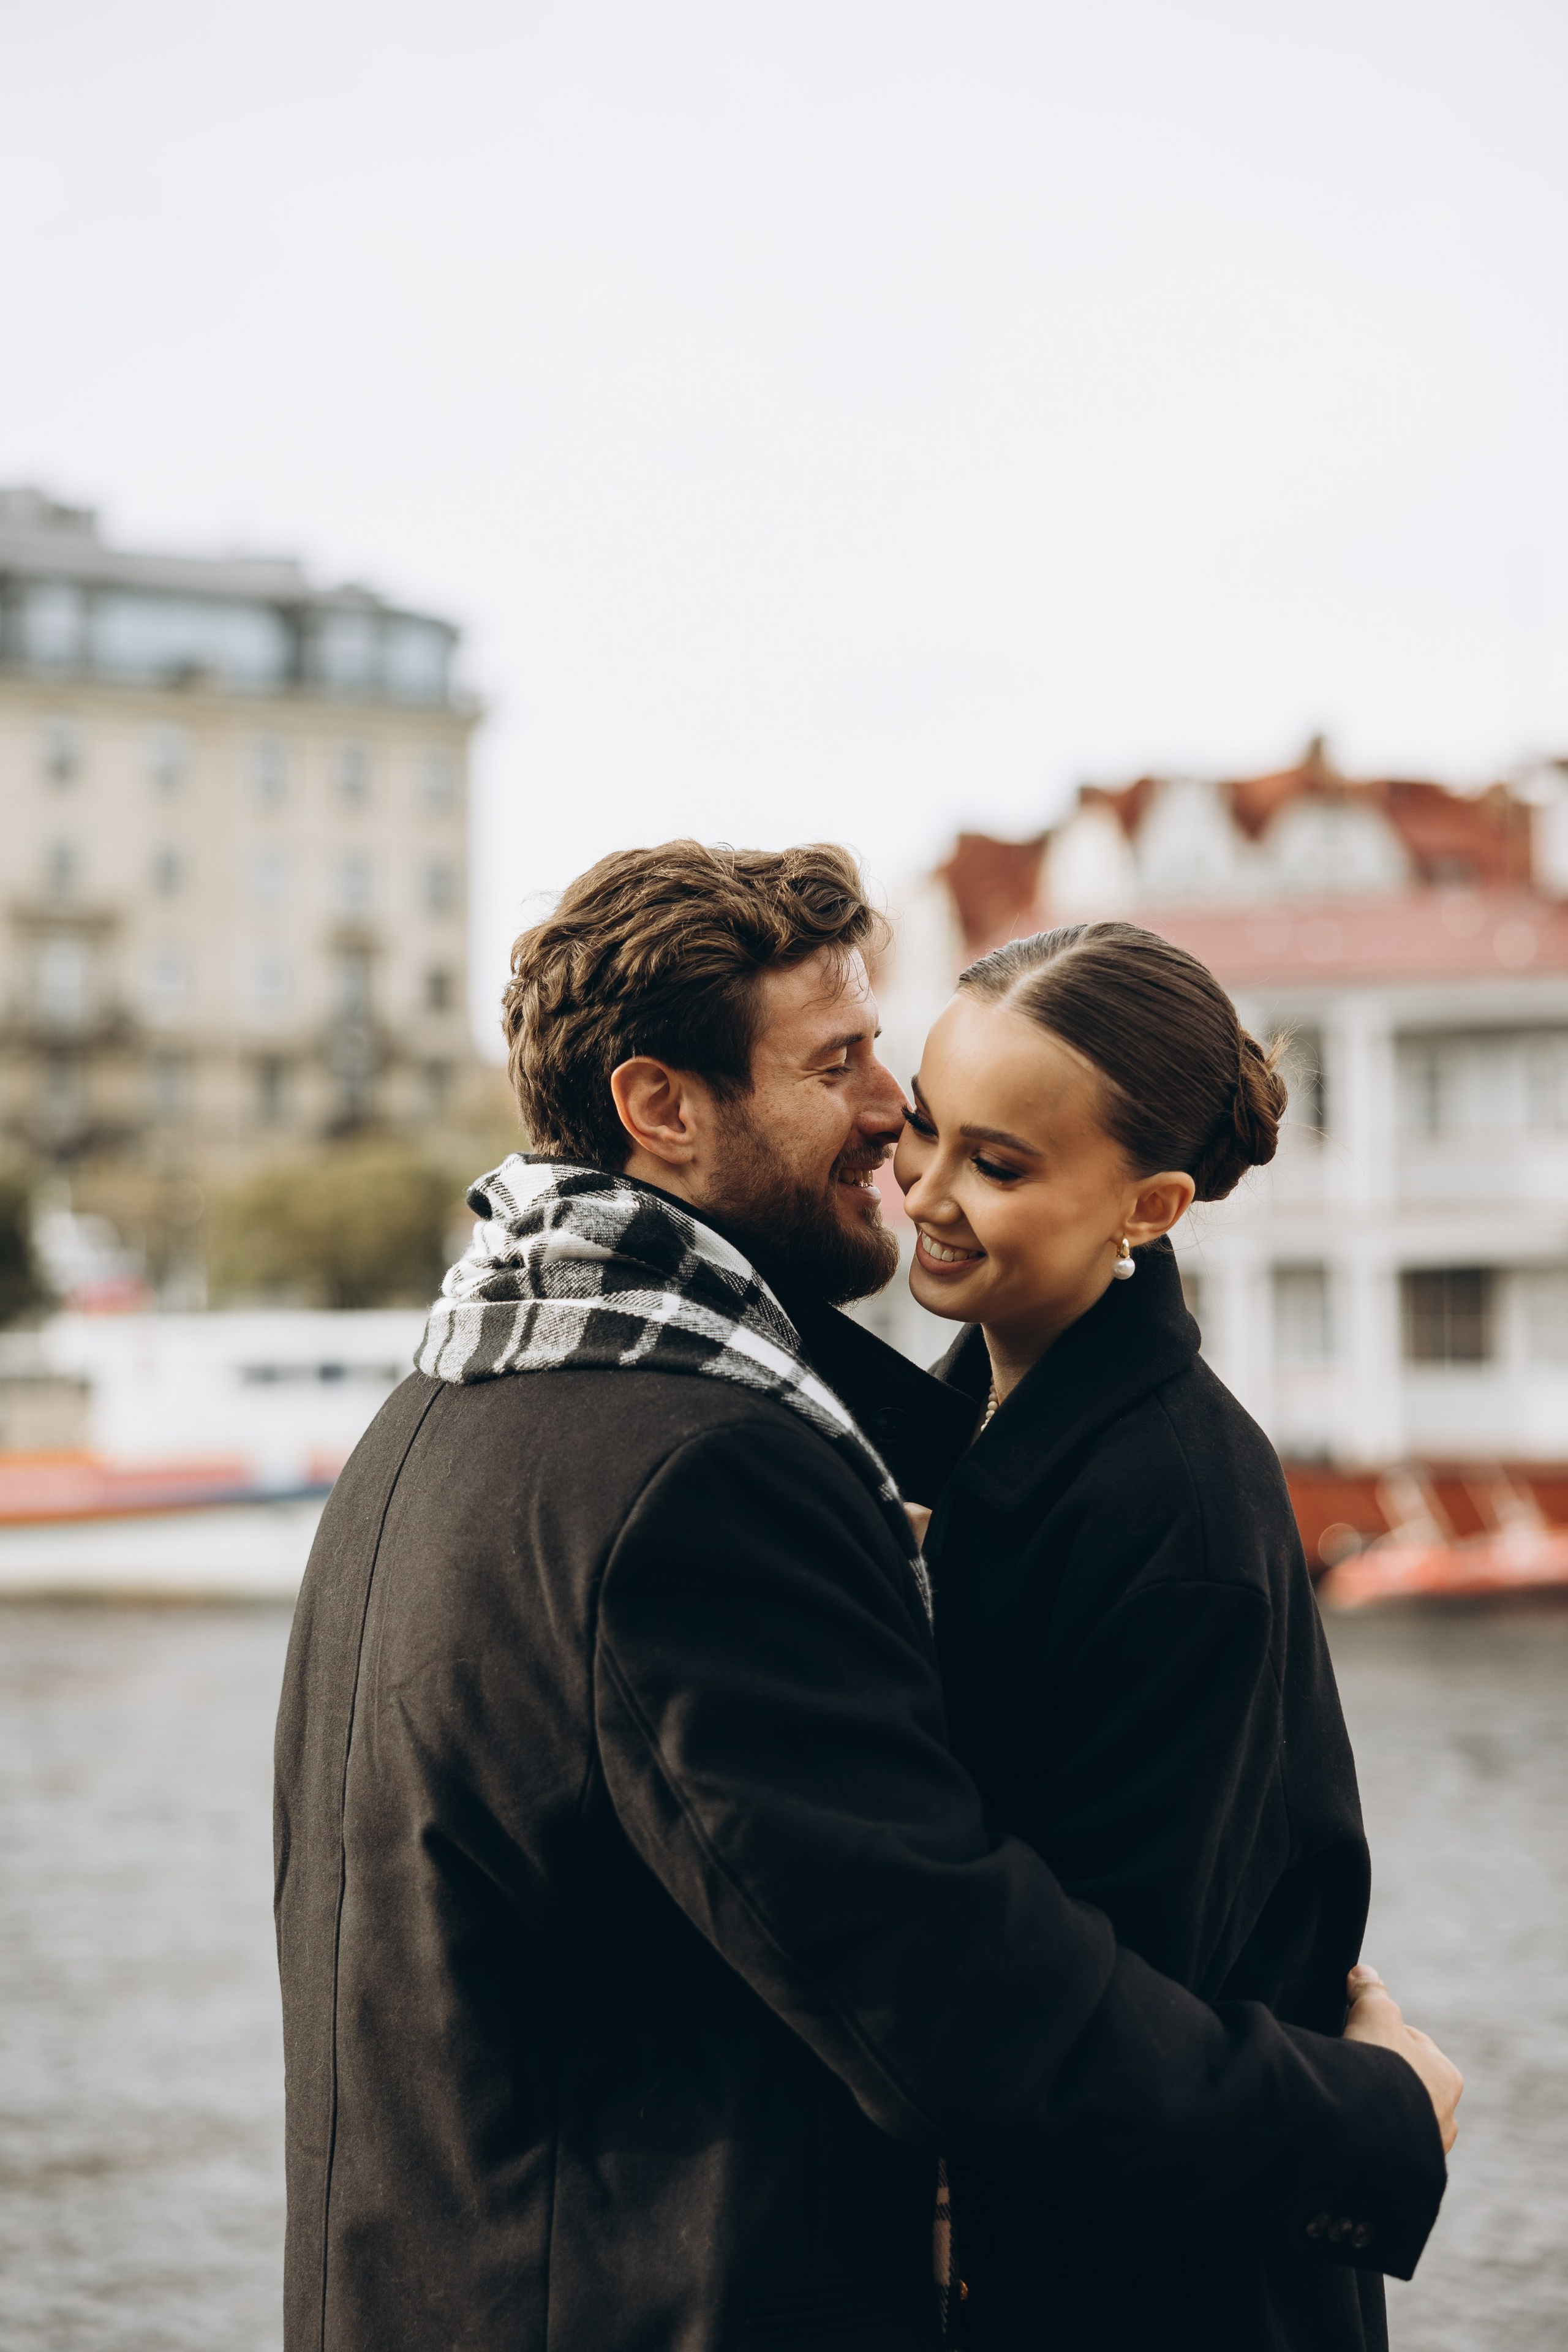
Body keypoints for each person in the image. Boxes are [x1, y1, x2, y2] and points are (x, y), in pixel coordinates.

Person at [274, 843, 1458, 2352]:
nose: (891, 1114)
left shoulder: (455, 1401)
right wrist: (1365, 2122)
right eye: (838, 1062)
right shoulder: (690, 1469)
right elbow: (954, 1987)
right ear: (661, 1107)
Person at [895, 920, 1419, 2351]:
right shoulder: (979, 1425)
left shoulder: (1175, 1498)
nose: (924, 1193)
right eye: (921, 1128)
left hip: (1165, 2283)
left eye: (996, 1165)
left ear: (1149, 1206)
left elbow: (1125, 1981)